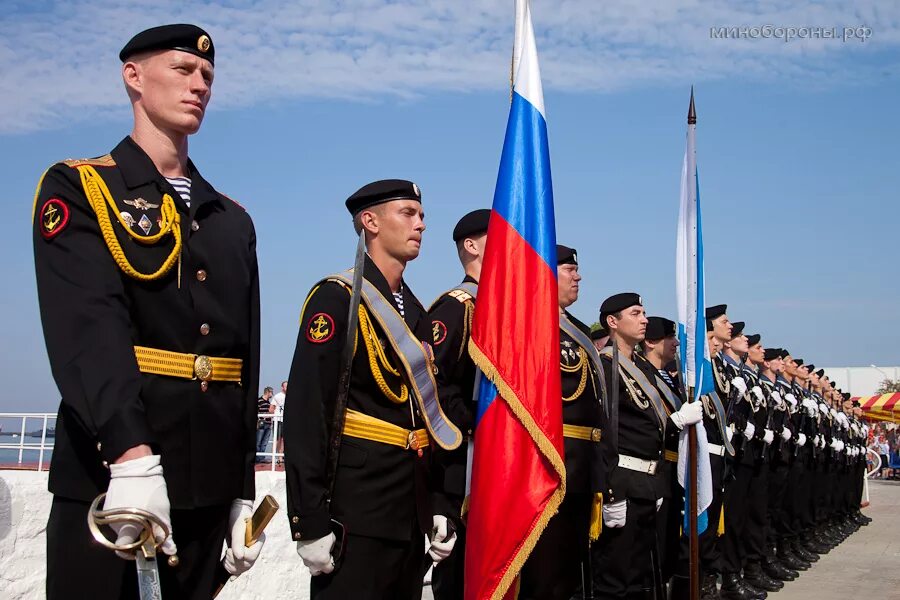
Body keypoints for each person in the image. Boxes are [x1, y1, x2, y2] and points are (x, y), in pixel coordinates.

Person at [33, 24, 264, 600]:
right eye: (183, 70)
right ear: (133, 77)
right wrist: (130, 455)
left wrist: (241, 487)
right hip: (113, 483)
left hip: (207, 491)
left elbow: (242, 358)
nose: (199, 85)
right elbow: (89, 330)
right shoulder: (82, 188)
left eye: (207, 76)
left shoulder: (230, 219)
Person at [283, 180, 460, 599]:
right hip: (355, 511)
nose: (420, 225)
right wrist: (308, 520)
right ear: (370, 222)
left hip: (408, 511)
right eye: (408, 213)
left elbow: (428, 419)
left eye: (422, 216)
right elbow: (308, 411)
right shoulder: (337, 298)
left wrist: (439, 502)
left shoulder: (417, 312)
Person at [590, 293, 702, 599]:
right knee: (615, 578)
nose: (644, 320)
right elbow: (606, 432)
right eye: (636, 313)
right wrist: (611, 493)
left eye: (644, 313)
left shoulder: (641, 366)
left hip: (647, 483)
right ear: (613, 322)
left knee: (640, 574)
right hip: (623, 483)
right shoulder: (605, 365)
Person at [519, 245, 608, 600]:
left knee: (568, 574)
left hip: (582, 469)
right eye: (570, 269)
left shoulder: (578, 331)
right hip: (546, 469)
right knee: (544, 572)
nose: (578, 276)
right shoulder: (528, 322)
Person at [428, 208, 490, 600]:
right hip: (461, 463)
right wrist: (477, 421)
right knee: (458, 578)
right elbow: (433, 380)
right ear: (471, 246)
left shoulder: (500, 310)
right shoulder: (456, 307)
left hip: (493, 463)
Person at [256, 387, 276, 462]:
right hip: (261, 424)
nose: (272, 394)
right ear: (268, 392)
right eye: (271, 392)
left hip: (268, 424)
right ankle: (257, 458)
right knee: (258, 441)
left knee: (264, 442)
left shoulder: (269, 402)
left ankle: (261, 458)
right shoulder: (259, 401)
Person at [273, 381, 287, 461]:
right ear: (282, 387)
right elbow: (271, 408)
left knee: (283, 439)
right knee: (277, 439)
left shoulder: (290, 396)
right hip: (278, 420)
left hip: (285, 420)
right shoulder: (277, 396)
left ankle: (280, 457)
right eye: (286, 386)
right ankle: (275, 455)